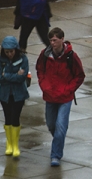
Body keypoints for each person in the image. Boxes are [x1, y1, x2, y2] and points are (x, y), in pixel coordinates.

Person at [36, 27, 85, 167]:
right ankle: (59, 142)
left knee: (60, 127)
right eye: (50, 40)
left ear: (62, 39)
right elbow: (40, 69)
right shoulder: (45, 55)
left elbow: (79, 75)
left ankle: (55, 155)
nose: (52, 43)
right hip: (50, 96)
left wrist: (68, 90)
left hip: (65, 98)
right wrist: (44, 85)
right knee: (52, 125)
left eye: (55, 40)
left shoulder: (71, 57)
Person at [0, 36, 29, 158]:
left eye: (11, 51)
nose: (9, 54)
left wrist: (7, 76)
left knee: (16, 118)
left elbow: (22, 77)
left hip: (19, 94)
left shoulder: (23, 59)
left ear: (16, 50)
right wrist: (14, 75)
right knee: (7, 118)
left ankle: (15, 145)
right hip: (4, 94)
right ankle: (9, 144)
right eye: (7, 52)